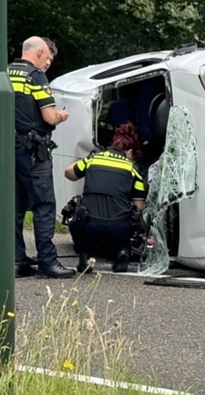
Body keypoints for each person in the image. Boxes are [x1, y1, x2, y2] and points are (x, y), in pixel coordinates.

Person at [10, 36, 76, 279]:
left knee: (15, 207)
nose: (48, 63)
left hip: (9, 149)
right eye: (48, 57)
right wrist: (62, 115)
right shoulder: (35, 77)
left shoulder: (6, 73)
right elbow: (48, 117)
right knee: (44, 204)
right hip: (33, 150)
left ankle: (17, 260)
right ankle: (48, 262)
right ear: (38, 53)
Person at [64, 123, 146, 273]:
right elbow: (139, 206)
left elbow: (68, 173)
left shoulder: (93, 159)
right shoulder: (133, 170)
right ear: (129, 152)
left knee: (74, 217)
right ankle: (122, 253)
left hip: (89, 225)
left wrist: (88, 159)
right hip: (119, 227)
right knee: (131, 219)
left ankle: (85, 255)